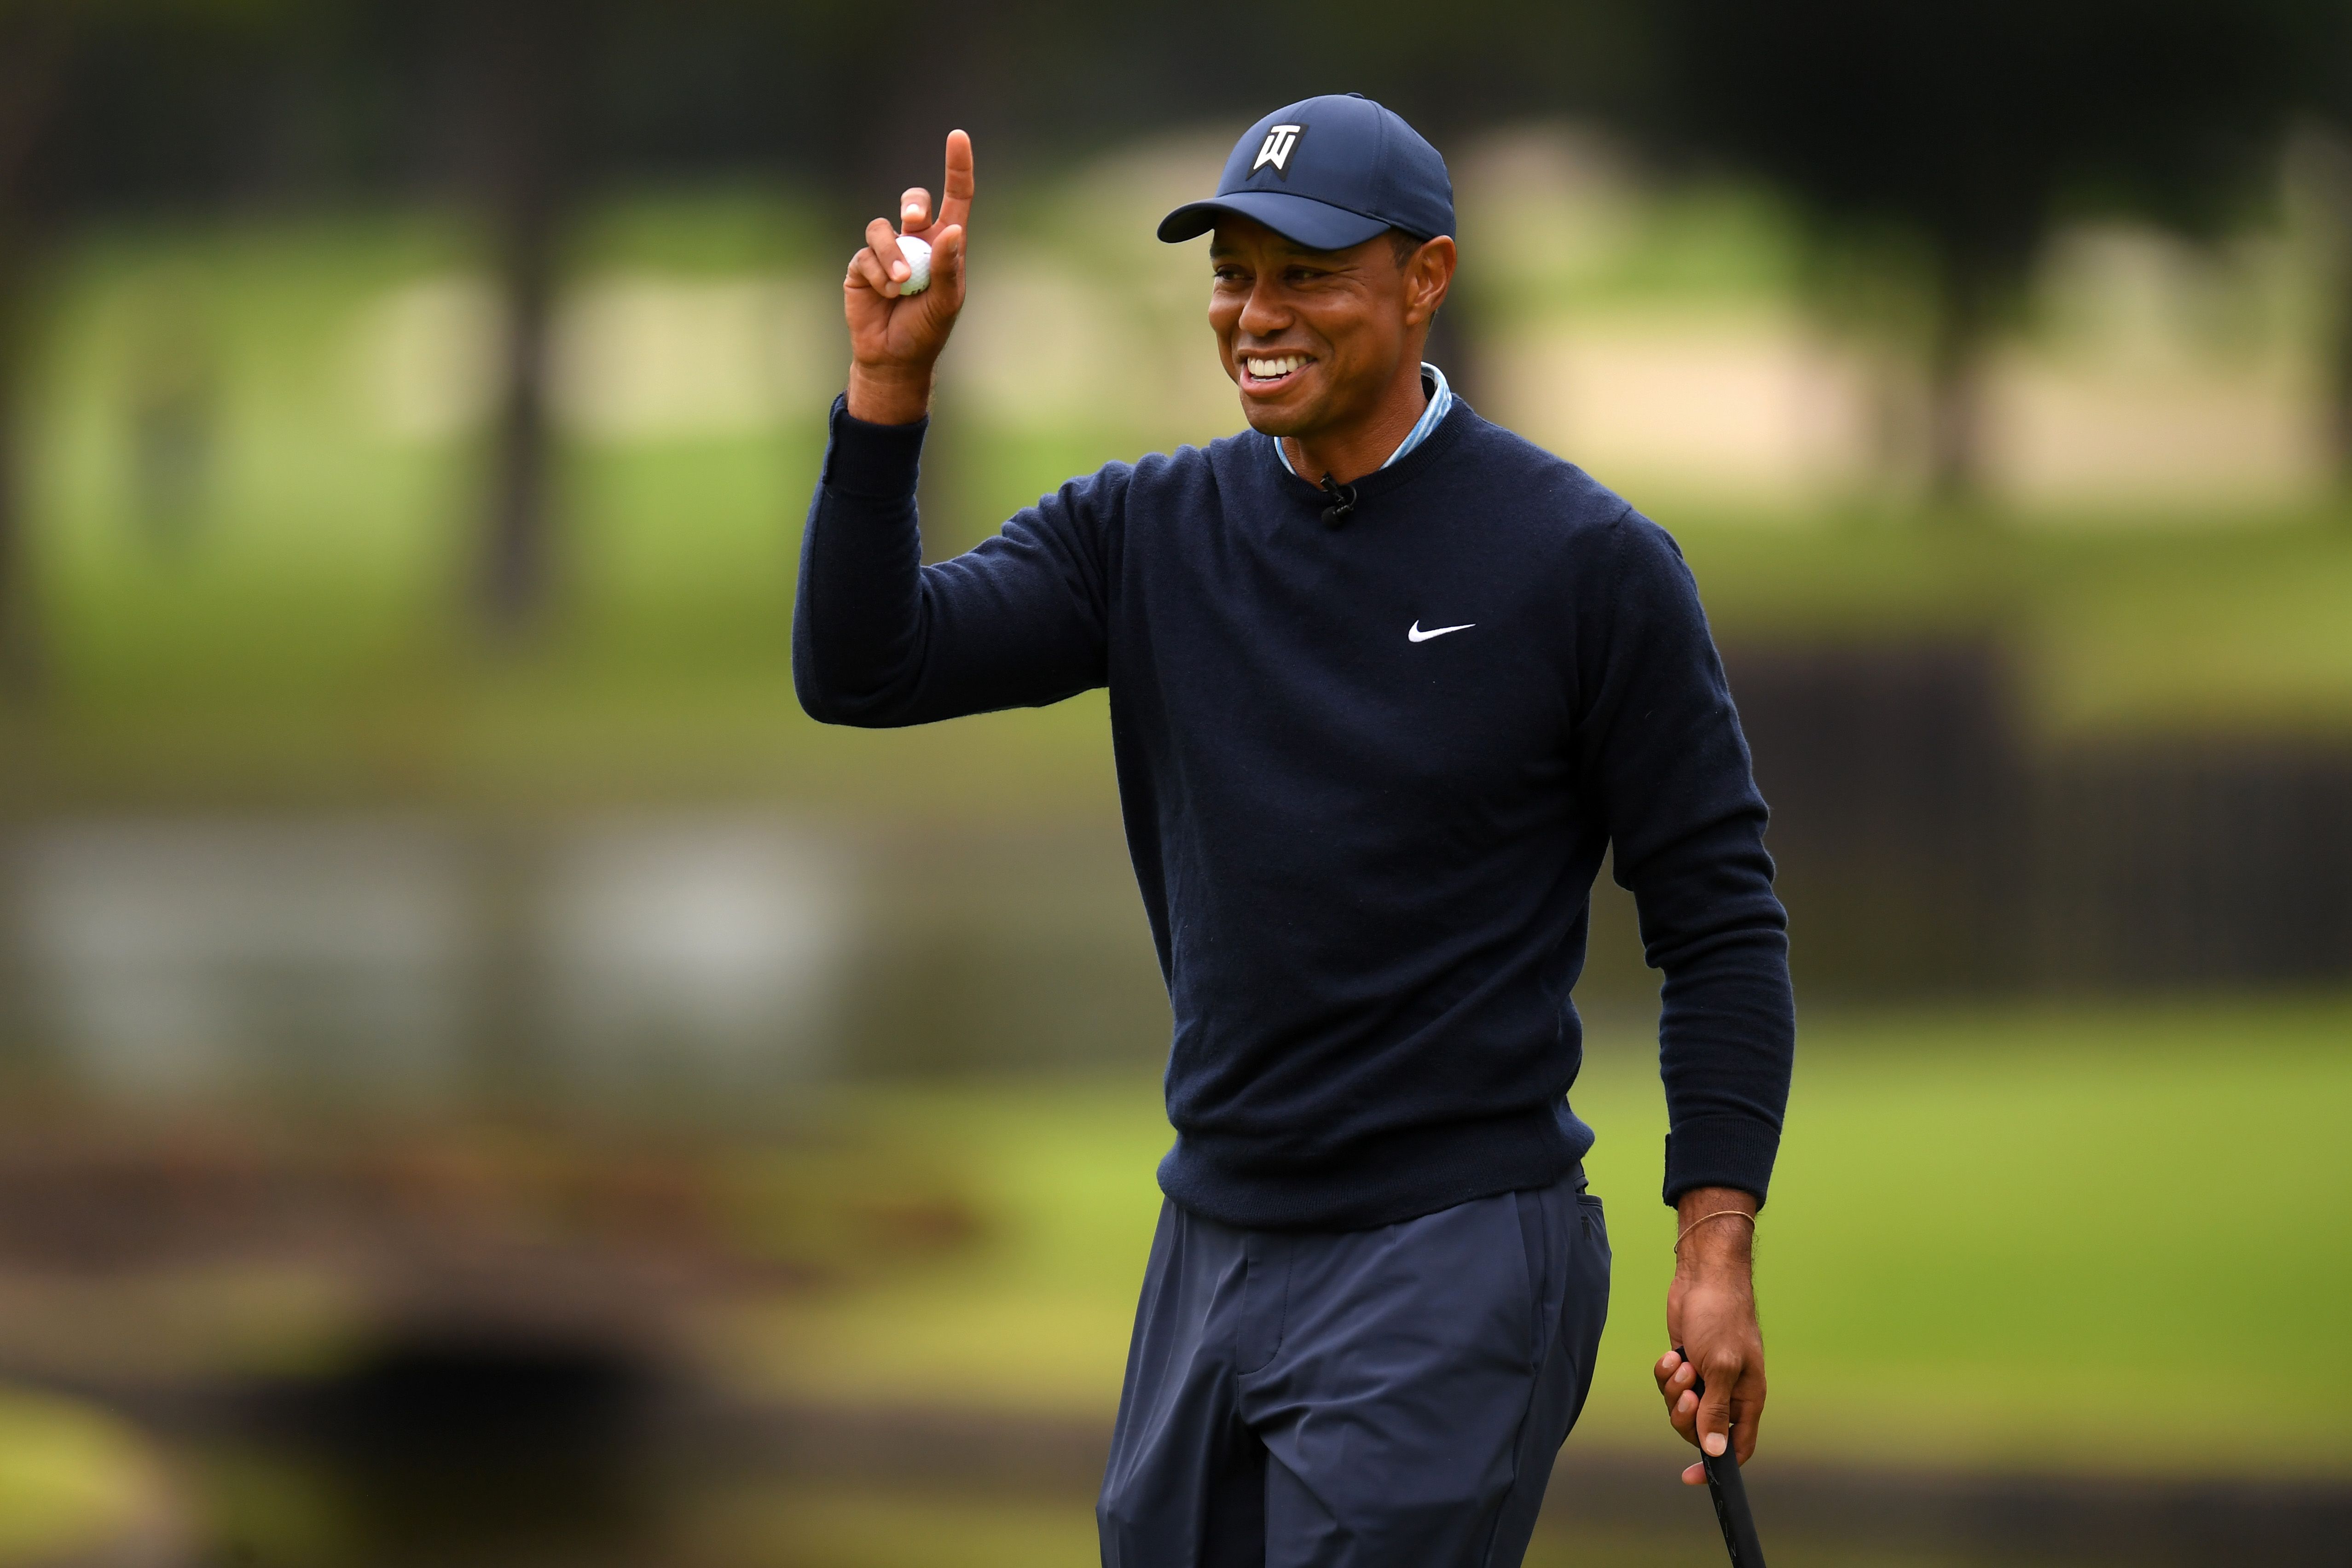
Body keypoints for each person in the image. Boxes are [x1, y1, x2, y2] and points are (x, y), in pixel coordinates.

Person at [797, 93, 1795, 1568]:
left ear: (1425, 281)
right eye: (1233, 274)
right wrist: (889, 397)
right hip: (1213, 1240)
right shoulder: (1143, 534)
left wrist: (1714, 1246)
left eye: (1309, 274)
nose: (1257, 313)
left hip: (1449, 1250)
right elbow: (866, 672)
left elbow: (1718, 924)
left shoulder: (1585, 565)